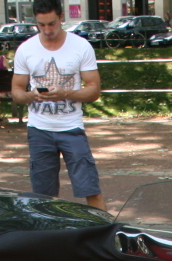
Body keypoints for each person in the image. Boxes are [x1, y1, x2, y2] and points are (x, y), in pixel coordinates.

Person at [11, 0, 104, 210]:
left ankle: (105, 236)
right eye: (41, 25)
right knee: (42, 196)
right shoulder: (26, 49)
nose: (47, 30)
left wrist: (66, 93)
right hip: (39, 129)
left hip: (71, 128)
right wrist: (31, 95)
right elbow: (16, 91)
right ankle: (45, 240)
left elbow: (94, 90)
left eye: (51, 24)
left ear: (61, 17)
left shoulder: (81, 46)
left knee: (90, 188)